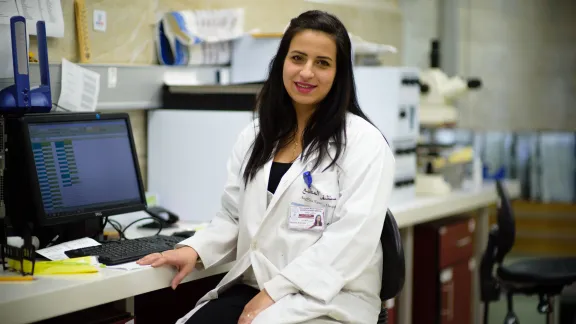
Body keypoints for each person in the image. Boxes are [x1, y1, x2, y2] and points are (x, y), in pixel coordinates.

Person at [137, 9, 395, 324]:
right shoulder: (257, 136)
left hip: (331, 298)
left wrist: (275, 293)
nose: (306, 73)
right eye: (297, 58)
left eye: (322, 63)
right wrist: (195, 250)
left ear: (340, 74)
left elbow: (350, 240)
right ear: (281, 63)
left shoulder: (363, 143)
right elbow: (234, 216)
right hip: (257, 283)